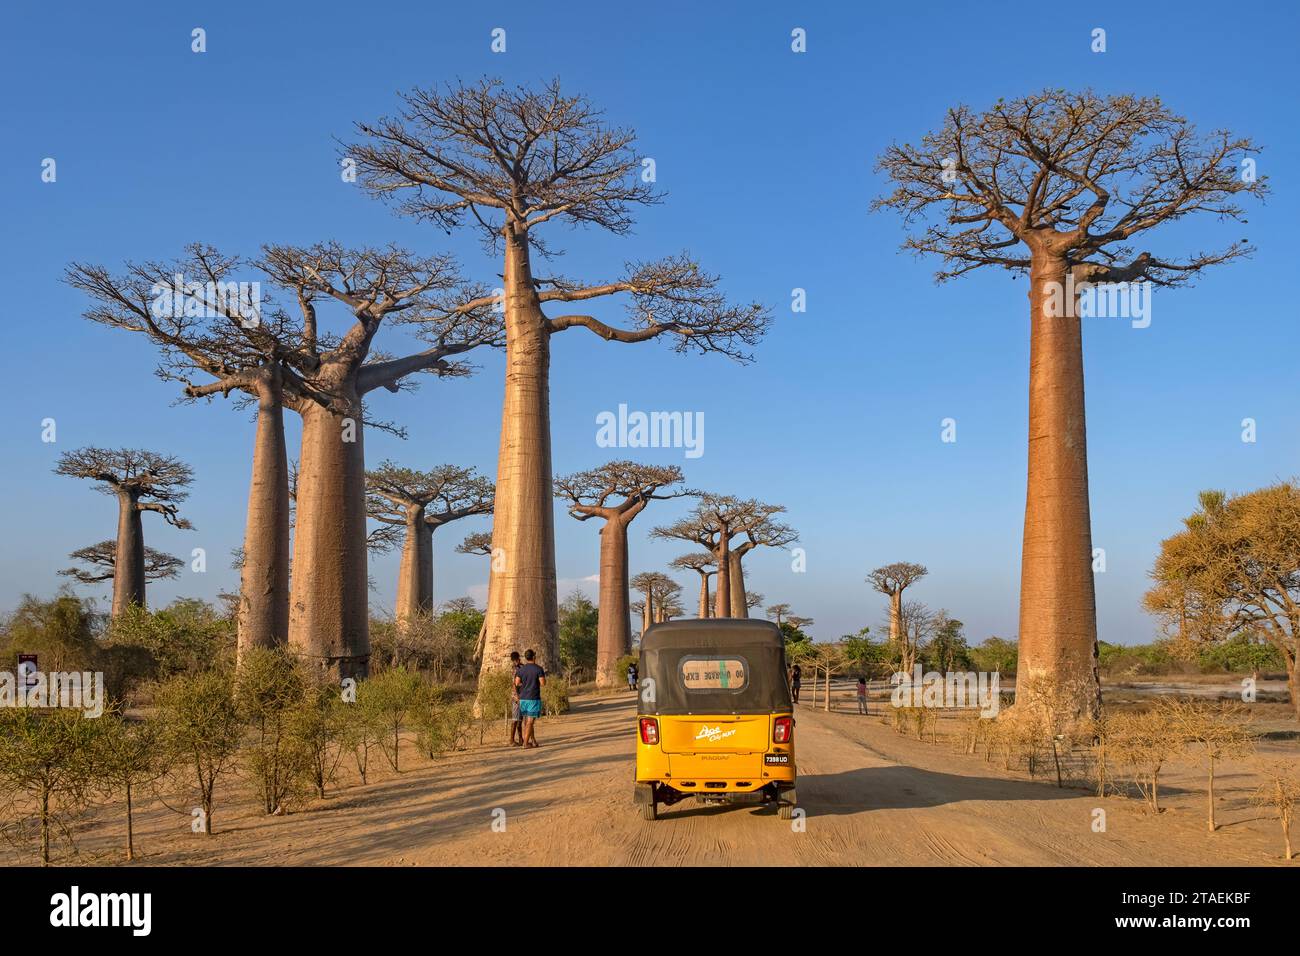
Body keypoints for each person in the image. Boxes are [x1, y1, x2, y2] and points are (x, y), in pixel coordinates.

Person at [514, 649, 547, 748]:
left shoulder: (521, 670)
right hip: (533, 698)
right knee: (530, 722)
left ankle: (533, 741)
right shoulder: (538, 669)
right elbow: (543, 683)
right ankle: (525, 743)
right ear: (534, 657)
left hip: (523, 698)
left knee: (528, 721)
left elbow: (517, 683)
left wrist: (525, 684)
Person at [508, 651, 524, 746]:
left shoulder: (521, 667)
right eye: (514, 660)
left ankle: (521, 738)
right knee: (515, 719)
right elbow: (513, 684)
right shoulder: (514, 669)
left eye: (516, 660)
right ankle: (511, 740)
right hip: (516, 696)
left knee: (520, 719)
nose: (516, 661)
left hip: (522, 695)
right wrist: (517, 696)